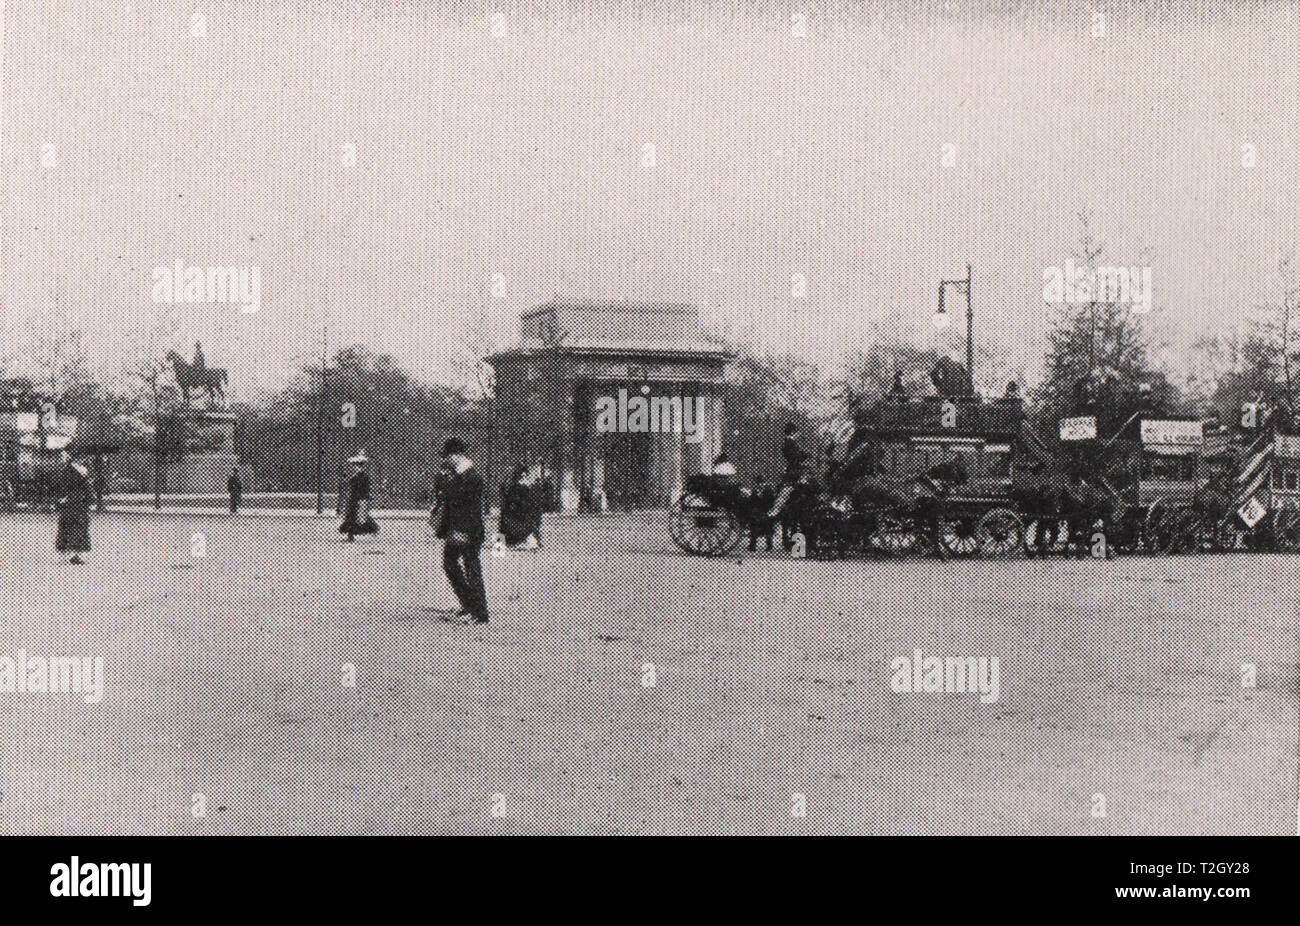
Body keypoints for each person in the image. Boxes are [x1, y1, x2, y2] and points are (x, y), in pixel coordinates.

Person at [436, 438, 489, 624]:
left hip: (467, 530)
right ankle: (470, 605)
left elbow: (466, 507)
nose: (446, 460)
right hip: (460, 529)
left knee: (470, 568)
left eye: (448, 456)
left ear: (456, 456)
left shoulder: (470, 477)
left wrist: (462, 531)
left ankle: (479, 611)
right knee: (454, 564)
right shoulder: (460, 475)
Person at [55, 454, 93, 565]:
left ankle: (74, 554)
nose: (83, 459)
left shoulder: (79, 470)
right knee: (73, 526)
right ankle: (70, 554)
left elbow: (87, 487)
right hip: (74, 501)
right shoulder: (70, 470)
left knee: (77, 526)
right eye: (80, 457)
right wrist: (63, 497)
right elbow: (63, 485)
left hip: (78, 502)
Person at [339, 451, 379, 541]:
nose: (355, 468)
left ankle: (369, 530)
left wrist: (364, 498)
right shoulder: (355, 476)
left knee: (359, 517)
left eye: (357, 466)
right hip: (353, 498)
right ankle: (351, 535)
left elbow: (364, 489)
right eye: (355, 466)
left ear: (360, 467)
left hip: (359, 499)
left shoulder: (363, 477)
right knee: (352, 516)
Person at [748, 476, 777, 552]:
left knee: (767, 529)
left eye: (760, 483)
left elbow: (771, 501)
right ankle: (753, 545)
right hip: (758, 512)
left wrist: (767, 511)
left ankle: (768, 545)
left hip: (765, 511)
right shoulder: (755, 491)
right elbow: (751, 502)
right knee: (755, 529)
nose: (759, 485)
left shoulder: (768, 490)